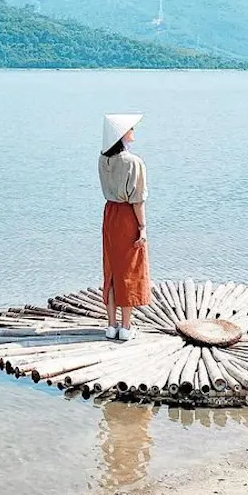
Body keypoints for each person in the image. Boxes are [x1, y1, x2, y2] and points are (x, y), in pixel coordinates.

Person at [98, 113, 151, 341]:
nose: (134, 132)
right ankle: (126, 327)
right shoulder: (133, 162)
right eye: (131, 128)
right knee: (129, 270)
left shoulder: (103, 159)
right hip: (127, 216)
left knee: (111, 269)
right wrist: (142, 227)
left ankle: (111, 326)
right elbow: (137, 201)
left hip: (110, 213)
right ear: (122, 135)